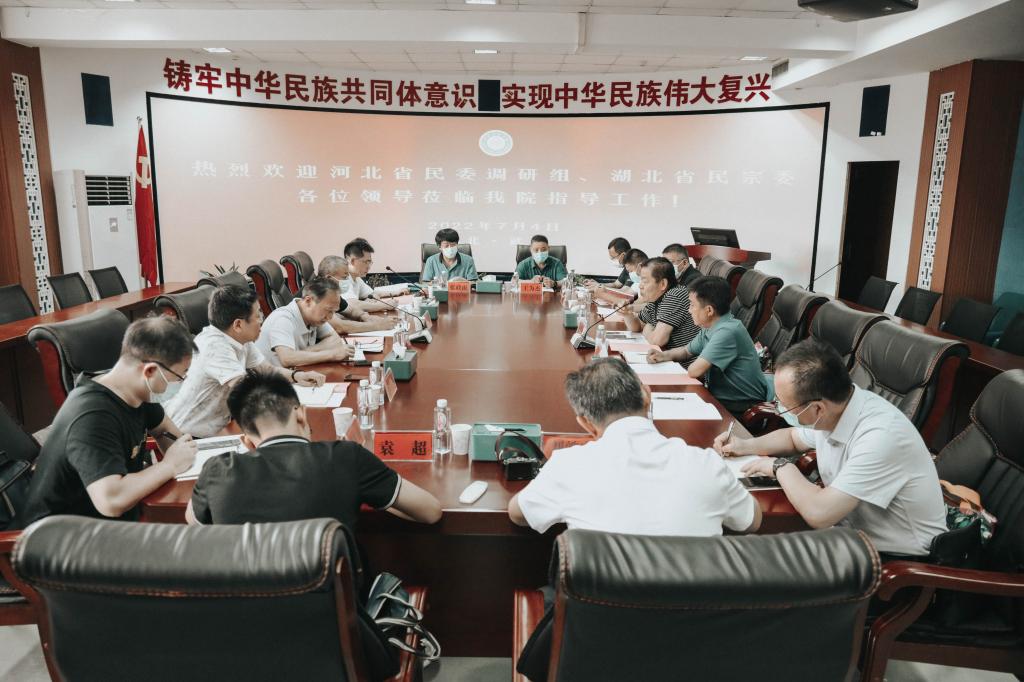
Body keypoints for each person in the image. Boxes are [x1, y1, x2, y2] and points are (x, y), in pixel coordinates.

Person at [719, 339, 947, 558]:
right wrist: (743, 445)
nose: (778, 410)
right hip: (849, 533)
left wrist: (780, 466)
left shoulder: (881, 436)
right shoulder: (838, 407)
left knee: (751, 554)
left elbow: (819, 513)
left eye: (784, 406)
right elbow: (792, 438)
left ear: (818, 409)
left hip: (896, 560)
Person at [509, 357, 760, 535]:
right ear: (647, 396)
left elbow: (518, 513)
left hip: (602, 598)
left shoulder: (568, 466)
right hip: (693, 597)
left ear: (585, 423)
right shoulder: (707, 465)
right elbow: (752, 521)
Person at [186, 370, 442, 531]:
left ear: (247, 441)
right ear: (301, 415)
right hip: (335, 604)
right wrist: (374, 494)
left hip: (245, 604)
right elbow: (431, 511)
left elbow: (193, 521)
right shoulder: (346, 457)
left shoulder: (216, 471)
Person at [16, 317, 200, 527]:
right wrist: (169, 465)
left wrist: (186, 456)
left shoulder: (136, 391)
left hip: (112, 521)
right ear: (149, 371)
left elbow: (166, 431)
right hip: (61, 534)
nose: (180, 384)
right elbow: (111, 501)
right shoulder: (92, 416)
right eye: (179, 377)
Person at [165, 285, 326, 438]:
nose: (262, 320)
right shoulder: (214, 346)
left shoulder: (239, 338)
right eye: (258, 315)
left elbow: (266, 370)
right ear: (238, 324)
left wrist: (297, 376)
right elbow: (245, 391)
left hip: (221, 427)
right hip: (189, 435)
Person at [648, 275, 769, 415]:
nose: (689, 310)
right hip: (720, 398)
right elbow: (686, 351)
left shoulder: (727, 332)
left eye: (692, 305)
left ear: (709, 310)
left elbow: (694, 371)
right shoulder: (711, 325)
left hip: (740, 406)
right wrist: (662, 356)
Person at [255, 276, 353, 367]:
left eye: (333, 312)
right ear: (308, 301)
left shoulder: (314, 317)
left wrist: (304, 352)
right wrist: (332, 354)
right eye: (329, 310)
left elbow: (335, 340)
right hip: (269, 378)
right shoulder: (282, 319)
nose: (330, 317)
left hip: (297, 373)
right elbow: (287, 358)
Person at [620, 257, 700, 350]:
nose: (640, 286)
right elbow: (637, 327)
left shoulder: (674, 295)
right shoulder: (656, 299)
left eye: (644, 281)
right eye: (640, 280)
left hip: (686, 359)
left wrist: (647, 328)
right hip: (668, 355)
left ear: (663, 284)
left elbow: (657, 340)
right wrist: (627, 314)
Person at [316, 255, 396, 334]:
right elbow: (340, 327)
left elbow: (351, 310)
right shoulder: (317, 295)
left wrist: (366, 317)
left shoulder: (331, 293)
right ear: (329, 279)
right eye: (344, 277)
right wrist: (378, 326)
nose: (347, 280)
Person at [343, 237, 405, 312]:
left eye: (370, 262)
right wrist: (386, 305)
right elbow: (352, 305)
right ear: (353, 261)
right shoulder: (342, 278)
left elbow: (373, 294)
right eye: (366, 262)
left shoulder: (356, 278)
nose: (368, 267)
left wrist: (396, 292)